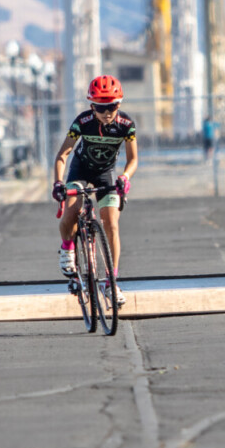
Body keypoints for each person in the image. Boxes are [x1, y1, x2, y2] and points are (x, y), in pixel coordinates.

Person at [52, 75, 138, 306]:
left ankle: (111, 282)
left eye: (111, 106)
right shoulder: (83, 121)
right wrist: (58, 183)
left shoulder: (126, 125)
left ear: (119, 104)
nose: (106, 112)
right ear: (92, 106)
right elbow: (63, 154)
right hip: (80, 171)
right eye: (101, 107)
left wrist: (125, 177)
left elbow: (133, 159)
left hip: (105, 173)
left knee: (111, 223)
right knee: (72, 211)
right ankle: (67, 248)